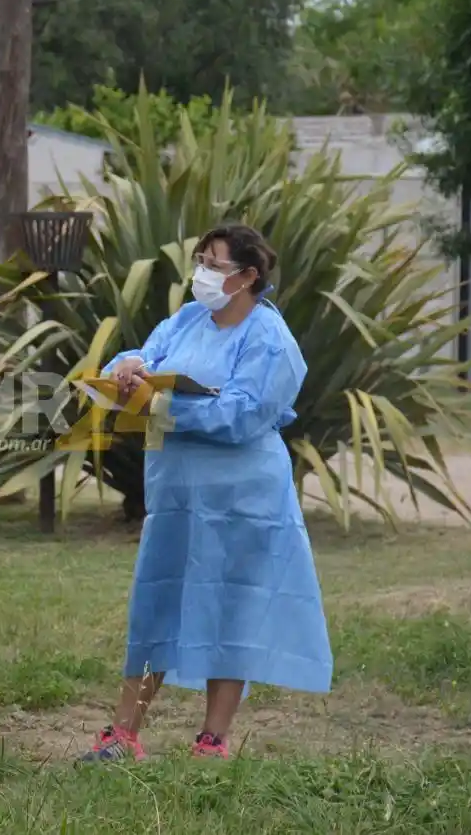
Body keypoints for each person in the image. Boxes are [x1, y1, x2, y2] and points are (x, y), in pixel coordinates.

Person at [80, 223, 333, 763]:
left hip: (244, 499)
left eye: (214, 266)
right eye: (200, 261)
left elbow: (244, 414)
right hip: (176, 493)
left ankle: (212, 740)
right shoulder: (190, 319)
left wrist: (163, 407)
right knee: (158, 600)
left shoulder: (271, 339)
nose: (201, 274)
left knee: (232, 605)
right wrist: (124, 369)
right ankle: (122, 735)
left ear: (248, 276)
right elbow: (143, 358)